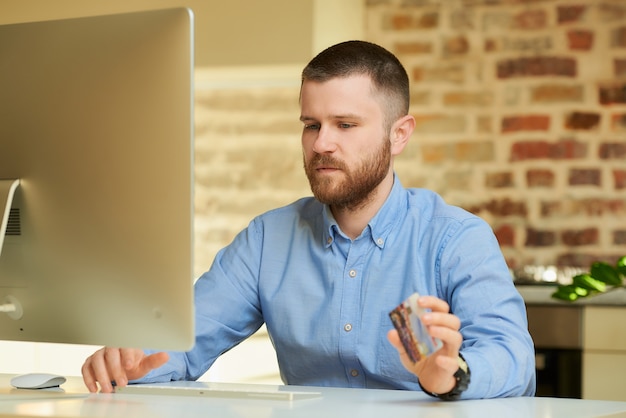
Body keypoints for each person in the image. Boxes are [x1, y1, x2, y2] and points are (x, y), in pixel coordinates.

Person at [82, 40, 536, 400]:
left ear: (399, 135)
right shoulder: (267, 240)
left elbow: (513, 359)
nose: (321, 144)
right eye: (311, 124)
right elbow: (183, 343)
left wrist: (451, 376)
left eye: (345, 124)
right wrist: (129, 361)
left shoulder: (455, 238)